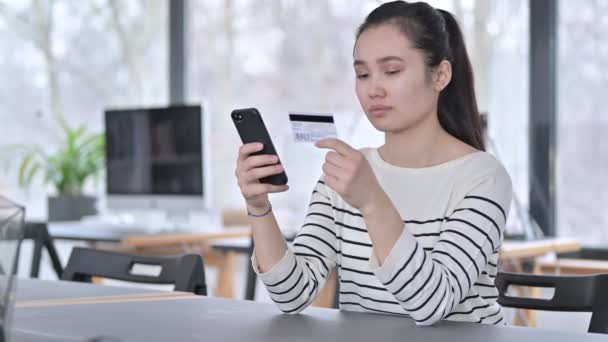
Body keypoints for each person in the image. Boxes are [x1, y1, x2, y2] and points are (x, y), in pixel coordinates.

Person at [234, 1, 512, 326]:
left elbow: (432, 303)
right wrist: (258, 207)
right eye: (362, 74)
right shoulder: (348, 173)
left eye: (392, 71)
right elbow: (291, 294)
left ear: (440, 75)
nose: (373, 89)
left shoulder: (483, 177)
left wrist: (371, 200)